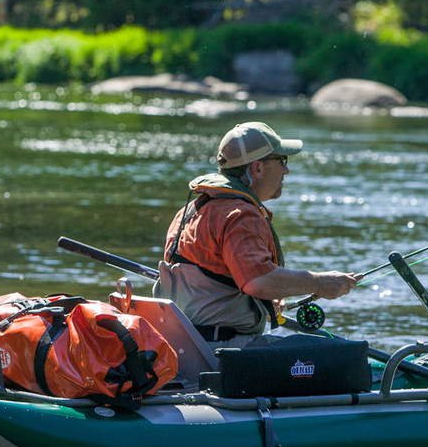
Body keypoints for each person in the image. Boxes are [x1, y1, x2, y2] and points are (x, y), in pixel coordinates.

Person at [153, 121, 357, 347]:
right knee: (330, 353)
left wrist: (260, 307)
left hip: (184, 347)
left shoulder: (191, 210)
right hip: (224, 350)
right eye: (282, 161)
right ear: (257, 168)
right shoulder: (240, 215)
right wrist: (319, 283)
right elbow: (258, 281)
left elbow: (213, 284)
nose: (286, 170)